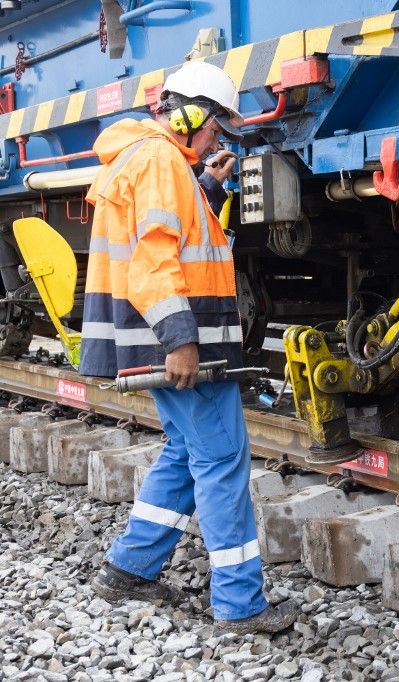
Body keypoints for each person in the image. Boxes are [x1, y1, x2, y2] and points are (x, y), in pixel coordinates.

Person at [81, 60, 298, 634]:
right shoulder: (158, 160)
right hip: (178, 341)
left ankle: (129, 568)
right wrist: (180, 342)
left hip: (159, 339)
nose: (215, 140)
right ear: (188, 113)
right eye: (214, 130)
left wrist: (206, 186)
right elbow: (154, 262)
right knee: (222, 458)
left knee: (185, 450)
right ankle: (240, 604)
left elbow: (168, 235)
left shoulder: (157, 161)